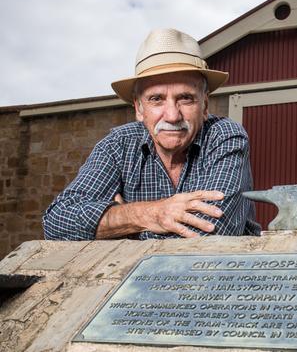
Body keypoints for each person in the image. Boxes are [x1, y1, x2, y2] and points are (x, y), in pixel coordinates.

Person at [43, 28, 261, 240]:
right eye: (156, 99)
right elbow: (57, 222)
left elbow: (210, 233)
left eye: (186, 98)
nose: (173, 116)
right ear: (139, 108)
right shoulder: (118, 144)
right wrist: (151, 214)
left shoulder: (225, 136)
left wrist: (121, 228)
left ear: (204, 106)